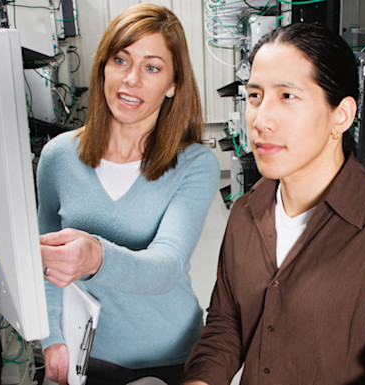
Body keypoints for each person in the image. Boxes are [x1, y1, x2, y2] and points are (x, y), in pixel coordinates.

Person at [184, 23, 365, 384]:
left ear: (341, 115)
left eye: (287, 96)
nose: (261, 120)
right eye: (255, 96)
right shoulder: (246, 213)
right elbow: (227, 323)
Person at [35, 4, 219, 384]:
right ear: (103, 66)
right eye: (121, 60)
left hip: (168, 355)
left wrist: (95, 257)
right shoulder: (57, 157)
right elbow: (43, 262)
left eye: (152, 67)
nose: (131, 79)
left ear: (173, 85)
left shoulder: (195, 164)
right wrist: (52, 339)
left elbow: (167, 266)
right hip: (88, 354)